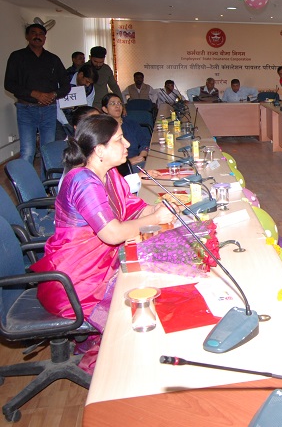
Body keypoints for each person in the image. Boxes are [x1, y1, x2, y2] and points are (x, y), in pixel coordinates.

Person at [30, 114, 174, 370]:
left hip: (101, 267)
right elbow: (112, 233)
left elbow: (133, 208)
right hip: (77, 280)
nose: (128, 144)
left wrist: (157, 208)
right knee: (146, 303)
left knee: (160, 277)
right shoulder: (82, 181)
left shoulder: (109, 174)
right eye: (119, 139)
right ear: (99, 150)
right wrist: (155, 218)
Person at [4, 23, 71, 165]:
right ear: (27, 36)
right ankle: (25, 179)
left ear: (45, 38)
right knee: (28, 151)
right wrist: (34, 94)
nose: (37, 36)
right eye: (33, 33)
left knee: (48, 150)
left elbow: (66, 84)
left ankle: (47, 180)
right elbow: (9, 84)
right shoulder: (17, 57)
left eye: (41, 34)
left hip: (49, 110)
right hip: (26, 109)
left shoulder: (53, 59)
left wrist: (53, 94)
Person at [101, 93, 149, 169]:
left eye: (119, 103)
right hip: (117, 167)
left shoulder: (131, 123)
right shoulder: (103, 129)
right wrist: (128, 162)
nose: (117, 106)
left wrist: (142, 156)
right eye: (113, 103)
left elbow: (144, 142)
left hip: (138, 161)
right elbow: (105, 159)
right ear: (105, 109)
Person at [57, 63, 98, 138]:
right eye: (87, 81)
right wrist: (65, 123)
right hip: (59, 118)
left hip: (77, 119)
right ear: (81, 75)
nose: (88, 85)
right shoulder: (63, 80)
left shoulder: (90, 88)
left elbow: (87, 107)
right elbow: (56, 105)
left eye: (90, 83)